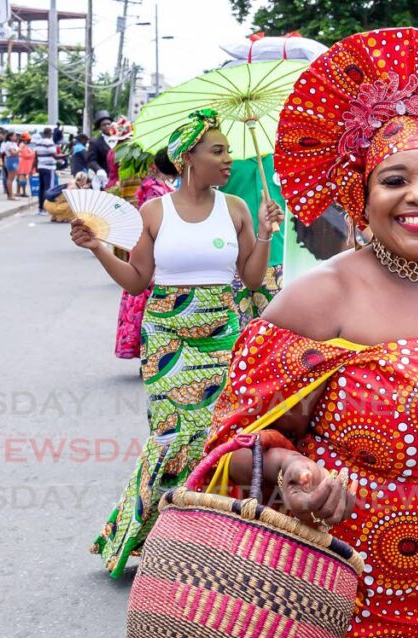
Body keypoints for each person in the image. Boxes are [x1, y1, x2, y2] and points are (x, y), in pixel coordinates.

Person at [154, 28, 418, 638]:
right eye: (395, 180)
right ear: (361, 194)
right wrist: (294, 473)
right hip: (332, 602)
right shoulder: (317, 298)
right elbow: (231, 445)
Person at [73, 108, 283, 576]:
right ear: (188, 157)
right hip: (167, 337)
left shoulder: (236, 208)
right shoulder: (155, 211)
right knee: (171, 437)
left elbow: (249, 280)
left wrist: (267, 235)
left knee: (215, 437)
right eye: (218, 151)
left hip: (222, 333)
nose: (228, 160)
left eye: (228, 150)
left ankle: (205, 540)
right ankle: (142, 534)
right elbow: (136, 281)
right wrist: (99, 249)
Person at [113, 149, 179, 360]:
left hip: (158, 254)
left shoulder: (163, 188)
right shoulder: (154, 190)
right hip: (153, 256)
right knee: (147, 307)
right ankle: (148, 355)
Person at [33, 127, 58, 215]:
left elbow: (35, 156)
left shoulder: (38, 142)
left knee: (42, 188)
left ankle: (40, 208)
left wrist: (35, 167)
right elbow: (55, 156)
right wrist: (68, 154)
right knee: (49, 189)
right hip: (49, 168)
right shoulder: (49, 142)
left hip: (41, 167)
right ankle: (46, 208)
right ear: (50, 133)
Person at [86, 109, 113, 190]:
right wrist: (99, 170)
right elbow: (91, 160)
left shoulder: (120, 139)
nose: (107, 126)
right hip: (103, 178)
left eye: (109, 124)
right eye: (104, 125)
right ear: (100, 128)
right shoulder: (95, 142)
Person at [16, 132, 34, 198]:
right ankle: (20, 192)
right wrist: (33, 154)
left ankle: (22, 192)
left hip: (24, 164)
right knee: (21, 179)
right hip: (22, 164)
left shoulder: (23, 145)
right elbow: (25, 155)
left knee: (22, 179)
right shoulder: (22, 145)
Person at [1, 132, 19, 200]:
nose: (15, 137)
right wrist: (19, 150)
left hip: (15, 160)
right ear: (10, 137)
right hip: (11, 160)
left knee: (12, 178)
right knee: (10, 178)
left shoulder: (14, 144)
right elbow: (13, 153)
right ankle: (10, 195)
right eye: (14, 136)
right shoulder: (8, 144)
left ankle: (11, 193)